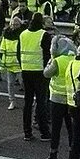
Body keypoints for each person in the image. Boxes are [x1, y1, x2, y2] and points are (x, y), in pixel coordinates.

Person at [41, 36, 76, 159]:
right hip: (70, 98)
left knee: (56, 128)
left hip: (57, 98)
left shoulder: (57, 61)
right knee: (71, 127)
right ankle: (73, 154)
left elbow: (47, 73)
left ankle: (53, 154)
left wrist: (50, 60)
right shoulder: (74, 60)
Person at [19, 13, 53, 141]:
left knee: (27, 103)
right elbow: (48, 55)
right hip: (39, 71)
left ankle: (27, 132)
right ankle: (44, 132)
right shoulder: (44, 35)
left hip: (26, 70)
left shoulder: (23, 34)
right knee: (41, 102)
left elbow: (19, 52)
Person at [0, 16, 23, 111]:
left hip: (19, 64)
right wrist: (2, 65)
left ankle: (29, 100)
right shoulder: (6, 34)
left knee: (22, 83)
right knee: (10, 84)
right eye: (13, 24)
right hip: (9, 64)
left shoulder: (22, 35)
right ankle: (12, 101)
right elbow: (3, 50)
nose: (14, 26)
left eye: (16, 24)